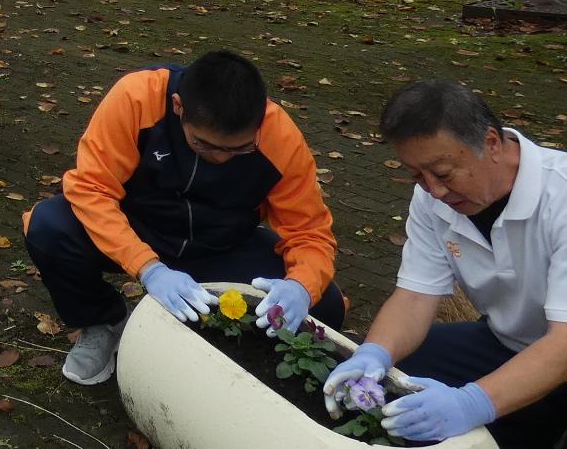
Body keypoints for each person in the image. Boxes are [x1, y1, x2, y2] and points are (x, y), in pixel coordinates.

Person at [321, 79, 567, 449]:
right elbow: (413, 297)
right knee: (404, 367)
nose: (434, 189)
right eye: (417, 176)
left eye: (442, 173)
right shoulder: (432, 199)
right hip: (521, 346)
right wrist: (373, 354)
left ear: (491, 143)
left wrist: (470, 403)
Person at [20, 50, 344, 387]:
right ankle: (104, 321)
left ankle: (240, 355)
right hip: (139, 229)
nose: (220, 158)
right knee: (48, 226)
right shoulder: (137, 98)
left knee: (327, 307)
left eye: (239, 149)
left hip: (221, 245)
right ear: (178, 107)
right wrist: (149, 267)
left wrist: (300, 286)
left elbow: (310, 233)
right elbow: (91, 189)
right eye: (203, 145)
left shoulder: (281, 138)